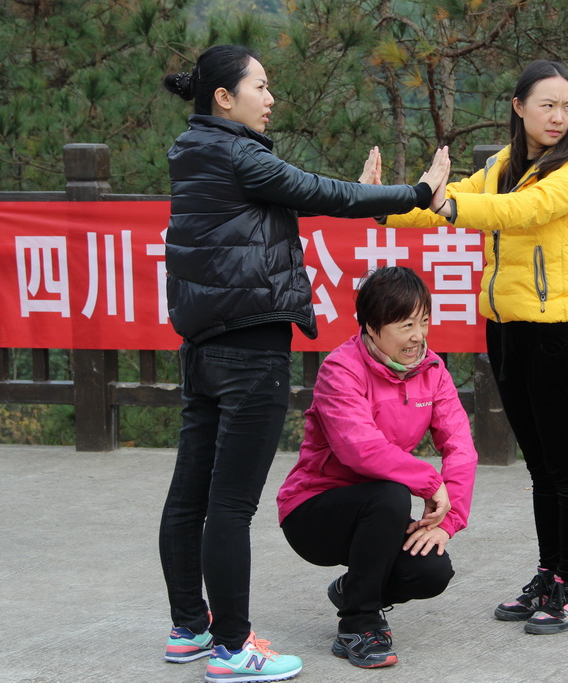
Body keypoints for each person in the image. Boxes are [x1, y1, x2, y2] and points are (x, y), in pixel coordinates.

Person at [158, 45, 450, 683]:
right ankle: (232, 648)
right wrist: (417, 193)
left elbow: (297, 197)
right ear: (224, 98)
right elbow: (319, 191)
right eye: (260, 86)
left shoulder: (193, 151)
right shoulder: (239, 154)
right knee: (230, 505)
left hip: (203, 347)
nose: (270, 99)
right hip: (251, 350)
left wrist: (367, 192)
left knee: (189, 496)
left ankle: (189, 629)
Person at [379, 59, 568, 635]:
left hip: (556, 329)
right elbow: (444, 203)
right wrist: (380, 202)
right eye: (547, 105)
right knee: (539, 464)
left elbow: (521, 212)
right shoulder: (503, 165)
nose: (558, 117)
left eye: (567, 106)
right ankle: (548, 575)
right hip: (507, 327)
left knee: (564, 465)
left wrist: (448, 204)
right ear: (519, 106)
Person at [276, 265, 477, 669]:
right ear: (371, 326)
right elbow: (359, 449)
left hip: (379, 512)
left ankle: (353, 589)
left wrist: (448, 521)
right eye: (406, 325)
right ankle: (358, 624)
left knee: (432, 570)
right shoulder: (341, 369)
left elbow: (460, 447)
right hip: (314, 510)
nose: (418, 336)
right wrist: (427, 481)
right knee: (391, 494)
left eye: (423, 321)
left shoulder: (433, 371)